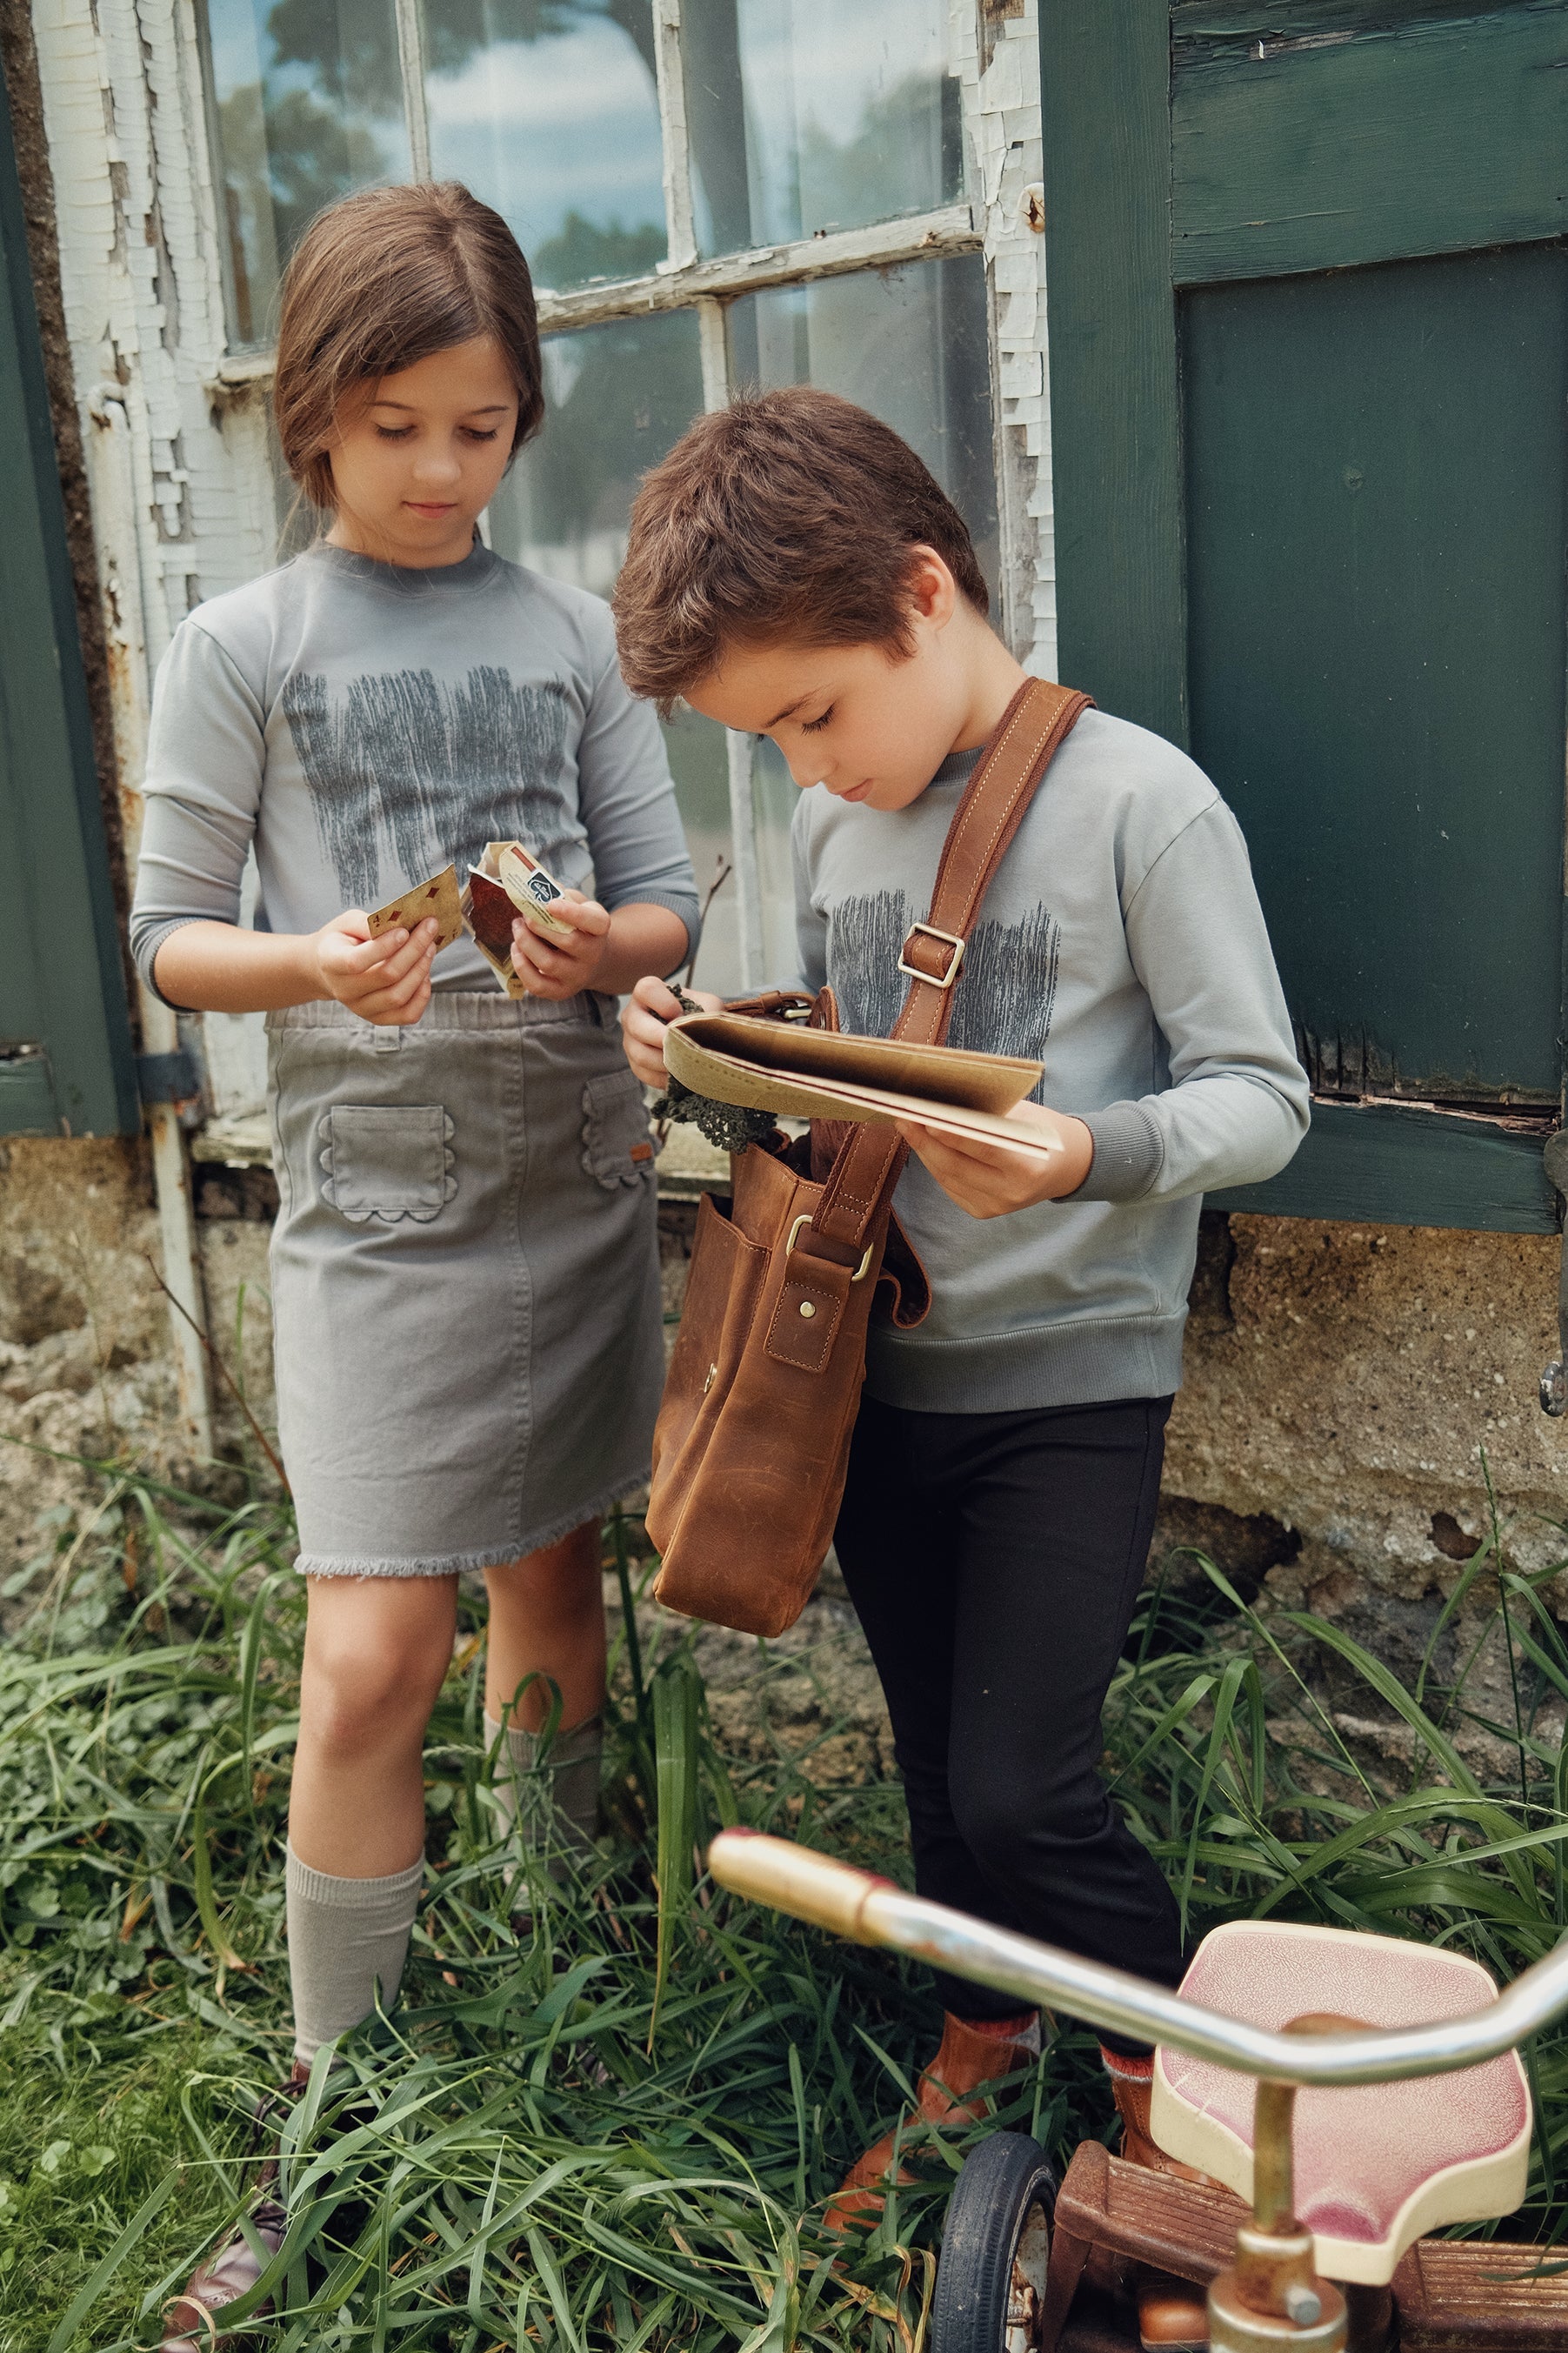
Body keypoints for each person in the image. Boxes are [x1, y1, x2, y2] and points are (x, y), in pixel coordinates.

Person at [615, 388, 1309, 2343]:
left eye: (809, 716)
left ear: (921, 593)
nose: (801, 767)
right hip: (876, 1379)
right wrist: (712, 1054)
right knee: (934, 1769)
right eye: (762, 743)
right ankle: (985, 2032)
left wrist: (1091, 1152)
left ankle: (1170, 2093)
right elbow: (848, 1066)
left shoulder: (1137, 802)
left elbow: (1261, 1096)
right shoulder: (838, 824)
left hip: (1067, 1379)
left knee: (1025, 1786)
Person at [130, 183, 697, 2348]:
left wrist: (589, 942)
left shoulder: (565, 638)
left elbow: (661, 904)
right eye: (395, 429)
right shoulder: (242, 647)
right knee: (370, 1658)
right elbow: (170, 933)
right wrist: (311, 965)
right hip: (372, 1221)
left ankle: (551, 2005)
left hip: (570, 1180)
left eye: (478, 427)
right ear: (315, 420)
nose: (442, 470)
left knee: (554, 1589)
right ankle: (337, 2109)